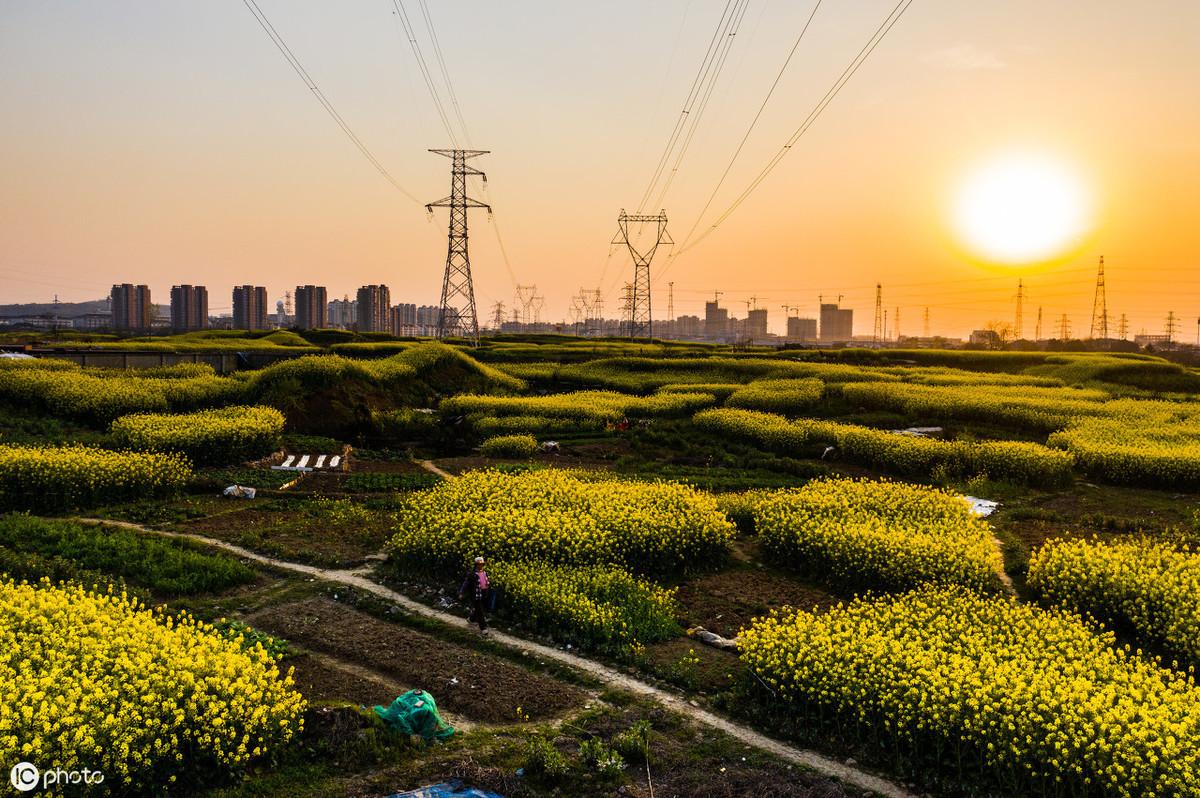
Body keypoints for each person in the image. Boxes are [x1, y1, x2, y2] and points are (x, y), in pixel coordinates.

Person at [459, 556, 491, 635]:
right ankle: (483, 628)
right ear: (476, 565)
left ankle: (471, 619)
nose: (480, 566)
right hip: (475, 595)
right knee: (480, 611)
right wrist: (461, 592)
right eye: (479, 564)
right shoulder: (472, 574)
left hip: (483, 593)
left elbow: (485, 583)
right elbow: (466, 584)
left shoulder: (484, 573)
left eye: (482, 564)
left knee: (479, 609)